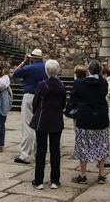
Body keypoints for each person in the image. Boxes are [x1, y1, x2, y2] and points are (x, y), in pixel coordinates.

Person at [70, 60, 110, 185]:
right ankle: (101, 174)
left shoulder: (80, 83)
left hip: (85, 118)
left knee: (83, 145)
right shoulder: (104, 83)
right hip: (101, 118)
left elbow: (74, 98)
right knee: (101, 144)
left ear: (89, 70)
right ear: (100, 71)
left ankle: (83, 174)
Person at [31, 59, 66, 190]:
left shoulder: (42, 84)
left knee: (41, 150)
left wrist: (37, 112)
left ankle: (39, 180)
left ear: (46, 71)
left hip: (43, 120)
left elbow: (35, 102)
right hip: (56, 120)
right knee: (55, 150)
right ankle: (55, 180)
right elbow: (63, 104)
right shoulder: (61, 85)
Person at [12, 49, 47, 164]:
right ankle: (39, 153)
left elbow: (15, 74)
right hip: (42, 98)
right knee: (40, 126)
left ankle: (25, 155)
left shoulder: (29, 68)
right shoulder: (46, 67)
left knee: (27, 126)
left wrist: (24, 62)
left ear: (32, 58)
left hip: (29, 96)